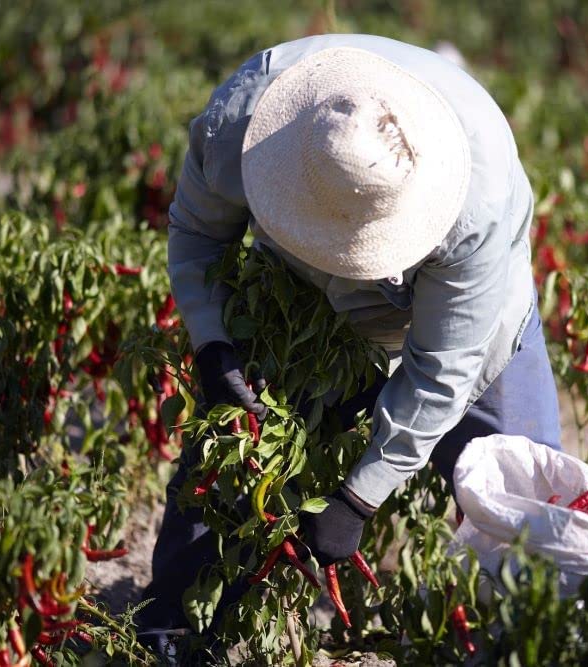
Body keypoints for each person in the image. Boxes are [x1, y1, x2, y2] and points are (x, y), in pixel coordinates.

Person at [136, 33, 562, 642]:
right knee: (235, 445)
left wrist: (359, 499)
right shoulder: (244, 124)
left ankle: (545, 634)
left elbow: (441, 374)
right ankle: (172, 623)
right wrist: (212, 345)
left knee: (519, 486)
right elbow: (197, 235)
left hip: (461, 316)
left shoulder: (474, 206)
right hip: (297, 292)